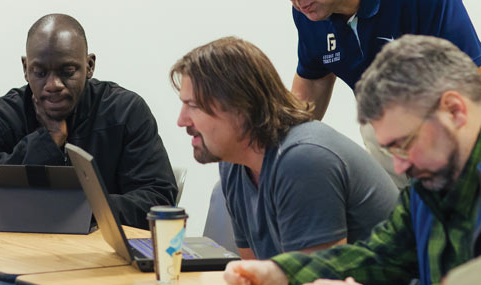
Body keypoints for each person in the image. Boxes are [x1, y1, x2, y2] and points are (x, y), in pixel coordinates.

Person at [224, 35, 481, 285]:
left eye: (404, 143)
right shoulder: (429, 186)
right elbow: (379, 258)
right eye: (390, 150)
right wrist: (278, 273)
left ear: (454, 111)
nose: (399, 165)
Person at [0, 14, 177, 285]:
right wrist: (49, 139)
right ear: (26, 68)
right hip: (20, 269)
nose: (53, 84)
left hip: (109, 274)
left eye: (67, 71)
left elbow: (158, 198)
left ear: (89, 65)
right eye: (40, 72)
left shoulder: (126, 111)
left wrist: (81, 213)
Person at [261, 0, 481, 187]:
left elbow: (471, 78)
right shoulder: (309, 11)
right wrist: (277, 157)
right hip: (385, 134)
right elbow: (312, 84)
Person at [170, 36, 397, 261]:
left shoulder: (304, 159)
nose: (181, 120)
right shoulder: (234, 164)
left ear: (241, 107)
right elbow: (257, 274)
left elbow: (315, 283)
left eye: (193, 106)